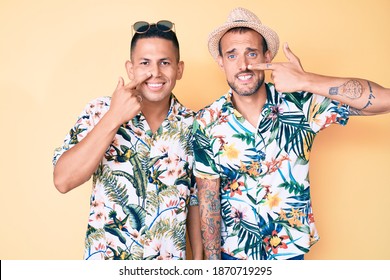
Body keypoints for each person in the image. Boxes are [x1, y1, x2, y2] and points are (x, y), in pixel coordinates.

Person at [192, 7, 390, 260]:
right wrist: (213, 266)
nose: (243, 65)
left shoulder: (301, 105)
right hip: (234, 254)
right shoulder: (207, 121)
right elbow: (208, 198)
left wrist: (306, 80)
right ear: (220, 61)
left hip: (290, 253)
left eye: (252, 54)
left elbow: (384, 100)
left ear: (268, 55)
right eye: (232, 56)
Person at [53, 20, 203, 260]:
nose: (155, 72)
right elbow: (63, 180)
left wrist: (199, 264)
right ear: (131, 69)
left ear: (179, 69)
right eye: (145, 63)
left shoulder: (195, 125)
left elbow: (196, 202)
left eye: (165, 62)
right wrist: (114, 117)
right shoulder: (99, 111)